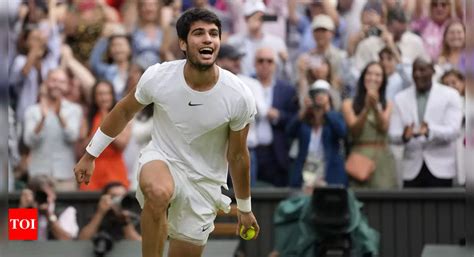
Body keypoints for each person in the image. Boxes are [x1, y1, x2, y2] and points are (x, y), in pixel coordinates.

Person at [74, 8, 260, 257]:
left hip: (204, 185)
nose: (208, 39)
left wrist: (245, 208)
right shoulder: (158, 76)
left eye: (214, 34)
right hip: (162, 160)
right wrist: (90, 154)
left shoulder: (239, 95)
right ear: (183, 43)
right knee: (158, 192)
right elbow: (122, 112)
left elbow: (238, 156)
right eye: (199, 33)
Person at [389, 57, 462, 187]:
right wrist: (404, 136)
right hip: (411, 170)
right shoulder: (400, 98)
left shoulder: (451, 95)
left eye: (422, 70)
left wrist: (430, 131)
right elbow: (393, 135)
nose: (417, 74)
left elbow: (454, 130)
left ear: (432, 71)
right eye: (414, 71)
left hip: (441, 169)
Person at [23, 68, 83, 191]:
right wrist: (42, 119)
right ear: (46, 82)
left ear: (67, 86)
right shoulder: (32, 110)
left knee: (67, 210)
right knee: (31, 209)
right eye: (54, 80)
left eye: (61, 82)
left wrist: (59, 115)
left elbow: (72, 137)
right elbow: (28, 141)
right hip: (38, 174)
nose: (57, 85)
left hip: (65, 175)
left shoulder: (74, 109)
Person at [341, 62, 398, 189]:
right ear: (363, 77)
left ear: (383, 80)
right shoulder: (348, 104)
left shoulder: (387, 104)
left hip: (382, 158)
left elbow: (384, 127)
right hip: (359, 156)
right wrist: (366, 108)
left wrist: (376, 106)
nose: (373, 78)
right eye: (369, 74)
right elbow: (354, 130)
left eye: (378, 75)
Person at [19, 175, 79, 240]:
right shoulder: (26, 211)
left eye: (44, 194)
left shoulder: (66, 211)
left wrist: (49, 214)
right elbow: (15, 244)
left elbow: (66, 240)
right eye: (38, 195)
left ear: (53, 194)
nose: (41, 197)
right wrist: (22, 210)